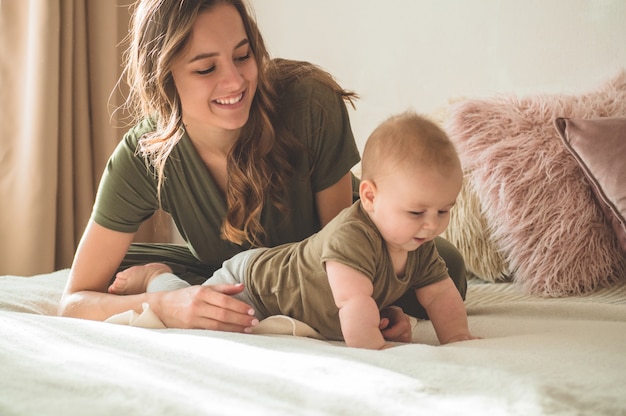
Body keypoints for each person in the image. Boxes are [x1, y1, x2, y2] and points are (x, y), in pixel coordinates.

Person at [58, 0, 467, 339]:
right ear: (164, 78)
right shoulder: (144, 155)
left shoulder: (309, 104)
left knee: (444, 272)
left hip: (332, 259)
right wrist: (166, 304)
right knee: (121, 271)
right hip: (237, 271)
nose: (235, 81)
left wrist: (379, 304)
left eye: (243, 55)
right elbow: (75, 300)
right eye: (206, 68)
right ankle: (162, 277)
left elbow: (345, 243)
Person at [109, 112, 478, 349]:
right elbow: (354, 306)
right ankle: (158, 276)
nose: (432, 224)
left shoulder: (421, 243)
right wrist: (378, 353)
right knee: (202, 316)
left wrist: (459, 339)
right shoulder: (353, 237)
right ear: (369, 196)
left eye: (444, 210)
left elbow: (441, 296)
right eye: (417, 212)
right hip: (254, 282)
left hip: (274, 276)